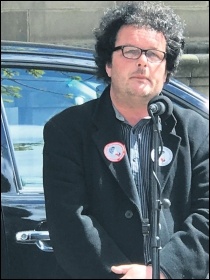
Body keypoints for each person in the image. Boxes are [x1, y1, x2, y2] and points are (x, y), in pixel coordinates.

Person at [43, 1, 209, 279]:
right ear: (108, 64)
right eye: (130, 51)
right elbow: (68, 221)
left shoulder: (198, 131)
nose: (143, 61)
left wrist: (162, 270)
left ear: (167, 71)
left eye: (154, 54)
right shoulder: (67, 130)